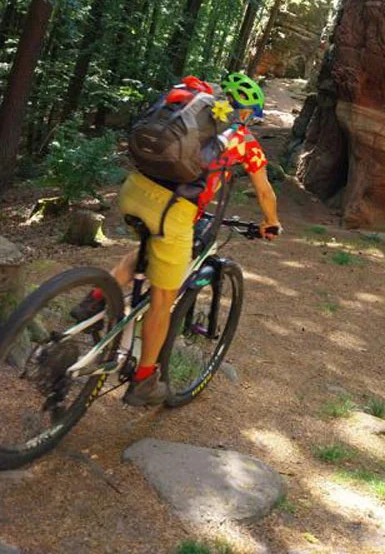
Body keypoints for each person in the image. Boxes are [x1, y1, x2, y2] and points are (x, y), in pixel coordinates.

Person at [72, 72, 280, 407]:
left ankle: (93, 301)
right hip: (173, 211)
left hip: (133, 190)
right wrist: (271, 223)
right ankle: (144, 380)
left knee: (144, 248)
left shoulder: (191, 113)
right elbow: (265, 192)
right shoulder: (243, 140)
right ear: (246, 113)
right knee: (163, 300)